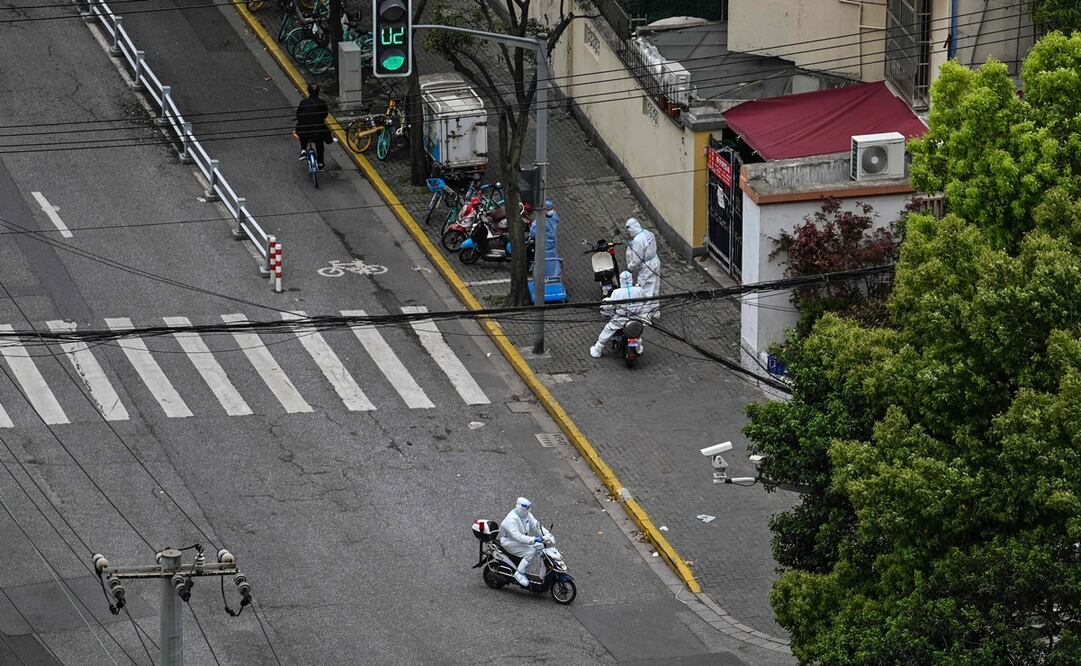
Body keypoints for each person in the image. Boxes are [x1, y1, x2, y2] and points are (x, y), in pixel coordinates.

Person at [590, 271, 646, 358]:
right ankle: (637, 348)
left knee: (607, 330)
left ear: (621, 280)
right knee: (637, 335)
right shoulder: (639, 290)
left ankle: (597, 351)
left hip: (620, 320)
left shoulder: (617, 292)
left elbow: (611, 305)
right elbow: (645, 302)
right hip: (635, 318)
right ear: (631, 279)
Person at [499, 497, 552, 587]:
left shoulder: (525, 514)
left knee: (541, 546)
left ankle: (543, 572)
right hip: (509, 542)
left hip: (521, 540)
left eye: (528, 509)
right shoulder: (511, 520)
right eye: (525, 510)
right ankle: (519, 573)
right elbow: (518, 537)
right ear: (519, 508)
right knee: (530, 551)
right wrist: (534, 539)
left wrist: (547, 534)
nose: (528, 512)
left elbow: (536, 525)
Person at [625, 217, 661, 321]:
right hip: (655, 261)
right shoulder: (648, 233)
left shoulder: (637, 241)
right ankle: (655, 312)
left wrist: (630, 266)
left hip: (647, 266)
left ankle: (645, 316)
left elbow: (637, 259)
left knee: (645, 290)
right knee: (655, 287)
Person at [295, 83, 331, 170]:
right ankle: (320, 162)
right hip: (317, 130)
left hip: (304, 130)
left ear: (308, 92)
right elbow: (325, 115)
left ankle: (303, 149)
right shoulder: (322, 103)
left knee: (302, 132)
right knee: (319, 143)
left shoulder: (303, 102)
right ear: (318, 92)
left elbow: (298, 115)